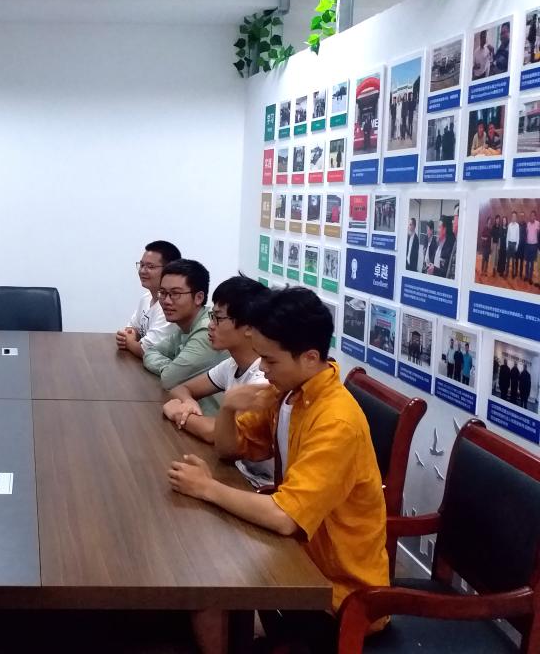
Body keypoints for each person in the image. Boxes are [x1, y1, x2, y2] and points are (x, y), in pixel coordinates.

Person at [166, 287, 388, 653]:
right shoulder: (289, 392)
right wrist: (228, 408)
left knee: (208, 588)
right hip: (297, 556)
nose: (263, 371)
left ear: (310, 357)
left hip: (338, 594)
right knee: (201, 570)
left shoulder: (336, 421)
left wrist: (207, 487)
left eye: (270, 361)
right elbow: (229, 449)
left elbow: (286, 518)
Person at [161, 276, 273, 486]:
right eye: (212, 316)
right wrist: (188, 402)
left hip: (260, 486)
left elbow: (216, 434)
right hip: (239, 471)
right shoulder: (232, 364)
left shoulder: (265, 376)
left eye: (218, 319)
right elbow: (180, 388)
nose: (210, 326)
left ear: (249, 327)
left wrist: (177, 412)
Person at [142, 259, 227, 398]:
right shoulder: (185, 325)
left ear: (199, 297)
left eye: (175, 294)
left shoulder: (207, 329)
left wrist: (171, 370)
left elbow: (169, 379)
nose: (166, 301)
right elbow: (151, 351)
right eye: (162, 292)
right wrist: (169, 367)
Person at [116, 240, 181, 359]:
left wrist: (129, 342)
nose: (142, 271)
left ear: (169, 269)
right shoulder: (146, 298)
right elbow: (132, 328)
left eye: (150, 267)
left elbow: (147, 351)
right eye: (141, 265)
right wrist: (128, 336)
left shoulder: (170, 307)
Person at [525, 210, 539, 286]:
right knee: (527, 262)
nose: (532, 217)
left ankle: (530, 278)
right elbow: (527, 233)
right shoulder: (528, 224)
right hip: (528, 245)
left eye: (533, 215)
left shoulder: (538, 224)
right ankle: (526, 276)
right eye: (531, 215)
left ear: (535, 216)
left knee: (532, 262)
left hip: (534, 246)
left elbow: (539, 235)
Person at [507, 212, 521, 280]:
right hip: (509, 243)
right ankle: (506, 273)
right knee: (508, 260)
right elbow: (508, 235)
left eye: (515, 216)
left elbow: (518, 236)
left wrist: (517, 246)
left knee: (513, 260)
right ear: (511, 217)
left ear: (516, 217)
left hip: (514, 244)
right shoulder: (509, 225)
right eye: (512, 216)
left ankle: (513, 273)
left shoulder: (517, 225)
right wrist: (507, 245)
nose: (513, 217)